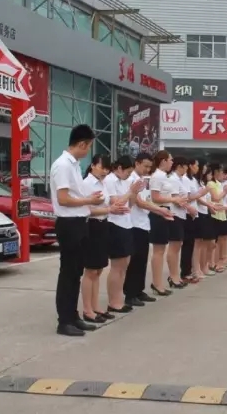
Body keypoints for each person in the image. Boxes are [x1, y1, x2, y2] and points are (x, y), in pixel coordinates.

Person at [51, 124, 102, 336]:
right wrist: (88, 200)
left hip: (80, 222)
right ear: (81, 144)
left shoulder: (73, 165)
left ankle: (73, 316)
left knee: (76, 273)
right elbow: (63, 199)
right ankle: (64, 321)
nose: (88, 150)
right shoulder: (63, 165)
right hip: (69, 224)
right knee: (68, 273)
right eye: (88, 146)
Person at [124, 152, 173, 307]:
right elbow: (139, 202)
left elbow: (147, 201)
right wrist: (160, 210)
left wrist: (159, 211)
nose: (147, 169)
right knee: (134, 261)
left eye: (149, 167)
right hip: (133, 223)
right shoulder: (131, 179)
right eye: (145, 166)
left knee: (142, 259)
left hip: (144, 222)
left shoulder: (143, 180)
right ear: (137, 163)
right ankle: (130, 293)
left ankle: (139, 290)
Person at [103, 156, 144, 313]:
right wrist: (130, 192)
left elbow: (130, 204)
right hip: (115, 224)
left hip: (127, 223)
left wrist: (134, 194)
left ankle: (119, 298)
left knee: (125, 264)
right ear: (119, 168)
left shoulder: (126, 182)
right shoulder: (110, 180)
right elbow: (115, 203)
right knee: (117, 265)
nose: (128, 175)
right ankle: (113, 301)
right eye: (127, 172)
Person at [81, 154, 114, 324]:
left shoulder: (104, 183)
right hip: (92, 226)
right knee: (90, 270)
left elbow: (108, 205)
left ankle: (95, 306)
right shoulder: (86, 184)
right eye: (102, 167)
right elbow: (87, 209)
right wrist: (109, 210)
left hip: (103, 225)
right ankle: (87, 309)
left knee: (99, 269)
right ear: (93, 165)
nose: (105, 171)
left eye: (107, 169)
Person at [148, 150, 182, 296]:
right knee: (158, 250)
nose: (172, 162)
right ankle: (157, 283)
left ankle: (159, 282)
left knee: (162, 248)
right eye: (170, 160)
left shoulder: (163, 176)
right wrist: (174, 200)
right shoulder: (157, 176)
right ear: (163, 161)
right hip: (158, 212)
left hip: (165, 211)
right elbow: (155, 198)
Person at [167, 156, 198, 288]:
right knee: (174, 247)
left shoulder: (181, 179)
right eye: (185, 166)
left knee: (178, 245)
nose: (187, 169)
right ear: (180, 166)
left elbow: (185, 197)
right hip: (175, 214)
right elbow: (176, 199)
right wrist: (189, 207)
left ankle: (176, 276)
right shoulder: (173, 179)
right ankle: (173, 276)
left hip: (182, 215)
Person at [180, 158, 210, 283]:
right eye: (197, 165)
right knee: (188, 245)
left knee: (194, 244)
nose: (200, 168)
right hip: (188, 213)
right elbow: (188, 197)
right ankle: (188, 271)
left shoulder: (194, 180)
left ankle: (194, 269)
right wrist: (201, 193)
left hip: (196, 213)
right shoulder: (186, 179)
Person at [208, 162, 227, 272]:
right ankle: (213, 262)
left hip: (223, 213)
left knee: (222, 239)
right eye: (219, 171)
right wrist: (225, 191)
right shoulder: (211, 184)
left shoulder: (219, 183)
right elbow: (216, 198)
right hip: (215, 214)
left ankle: (220, 261)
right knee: (214, 241)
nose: (221, 174)